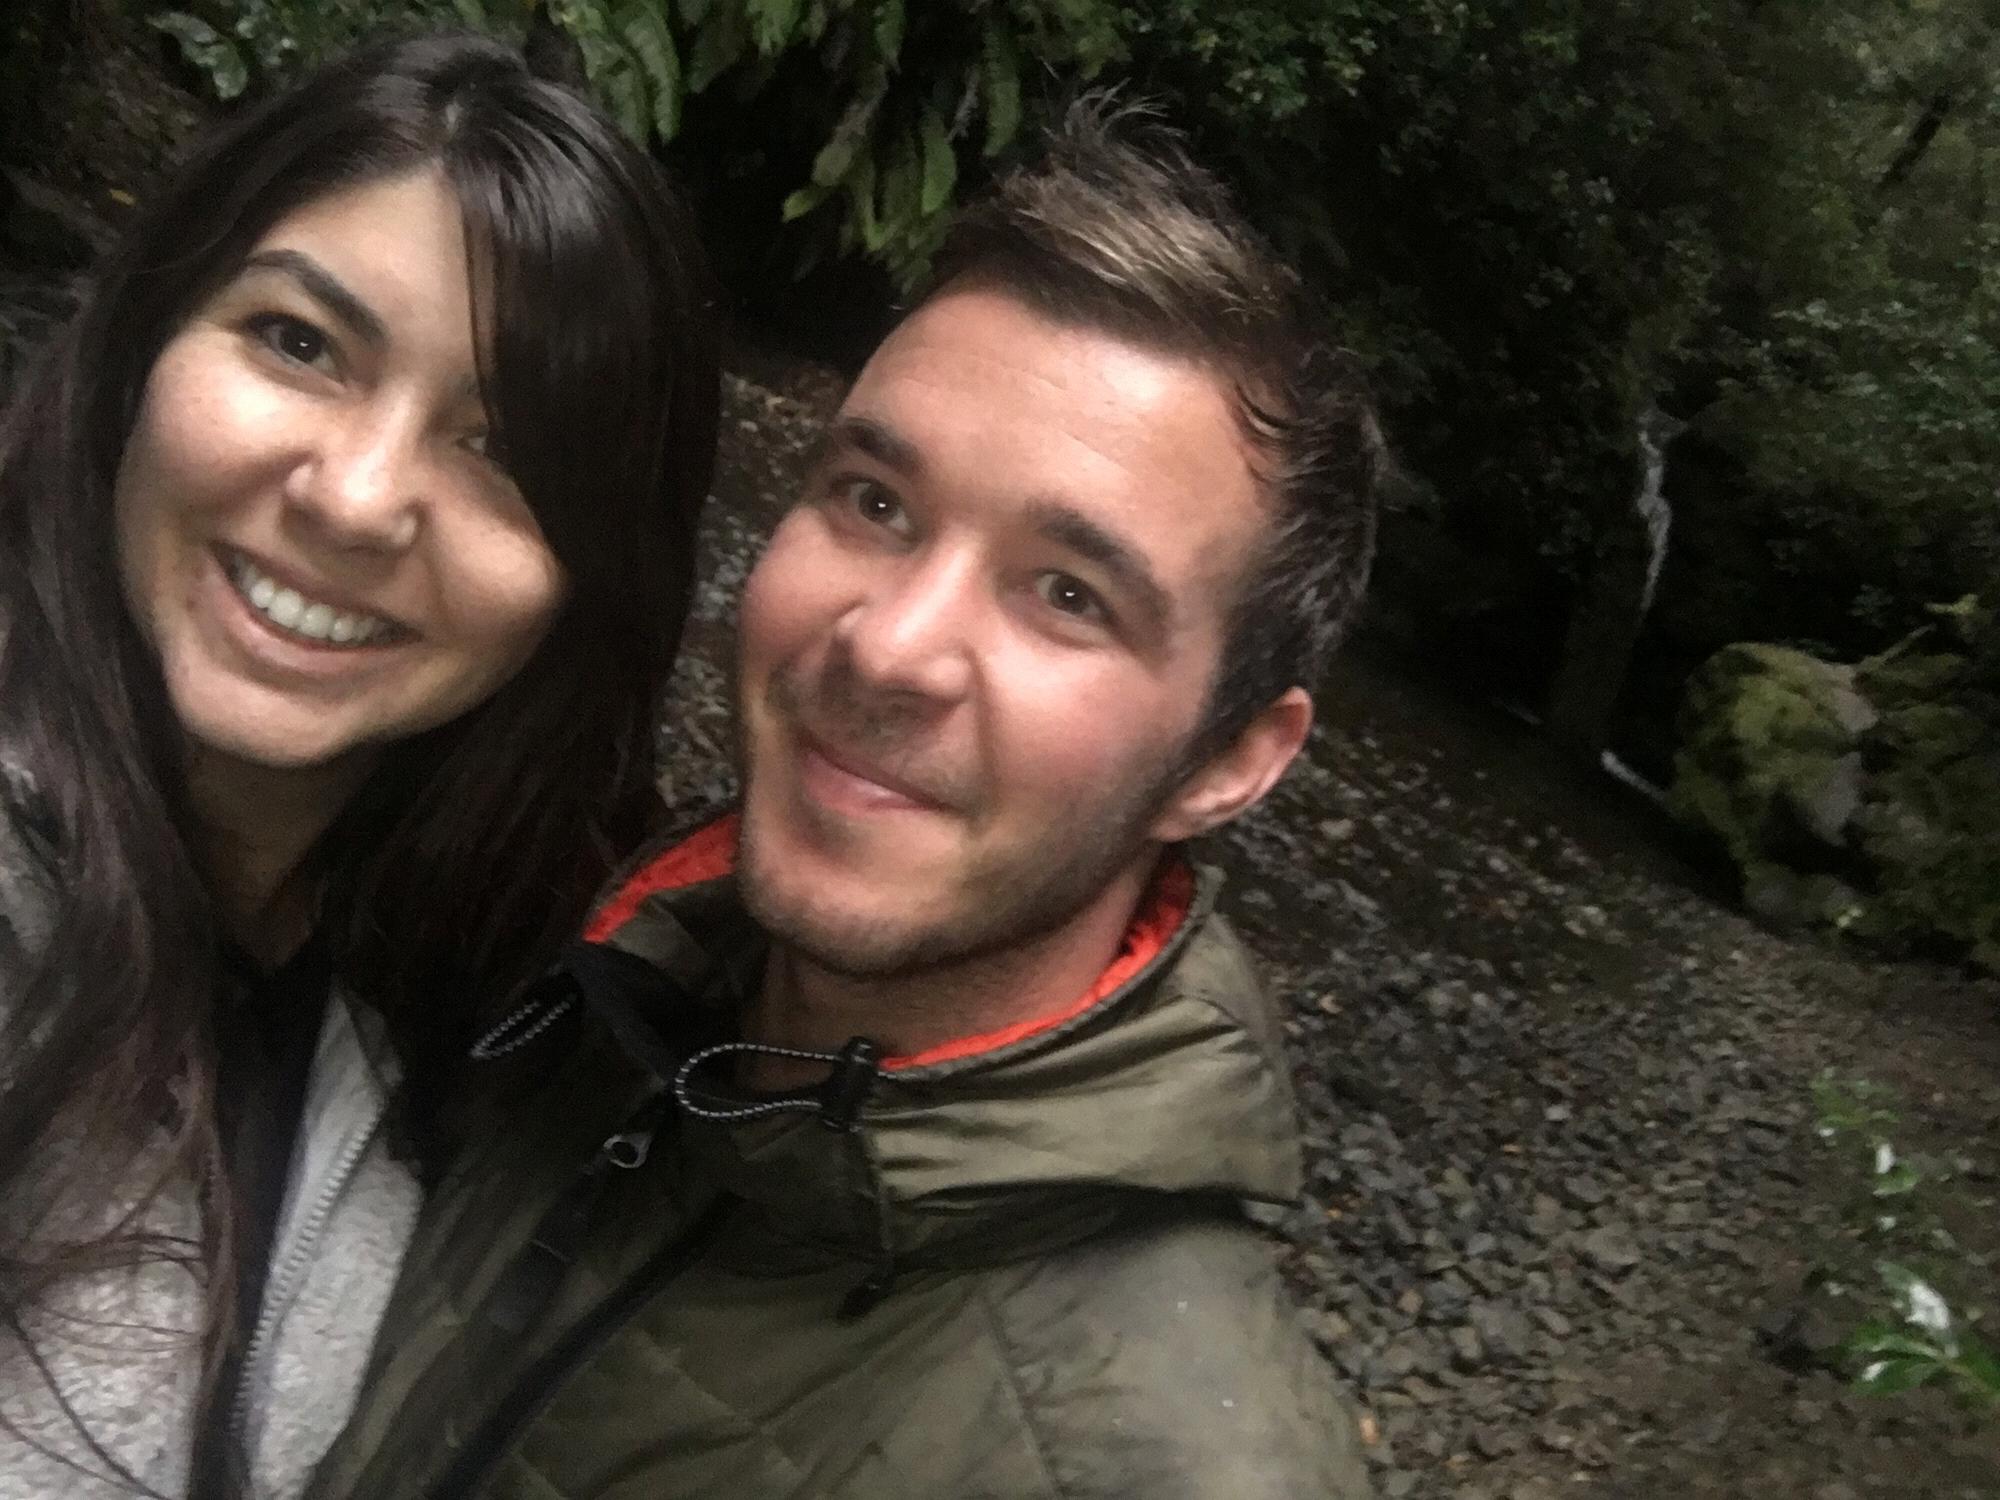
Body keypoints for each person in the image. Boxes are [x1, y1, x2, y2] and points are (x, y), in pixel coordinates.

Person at [310, 99, 1376, 1500]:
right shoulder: (596, 988)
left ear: (1230, 758)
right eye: (875, 502)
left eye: (1068, 595)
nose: (888, 644)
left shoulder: (1166, 1466)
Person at [0, 32, 718, 1500]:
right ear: (143, 335)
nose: (359, 496)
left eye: (502, 447)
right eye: (298, 343)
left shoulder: (475, 995)